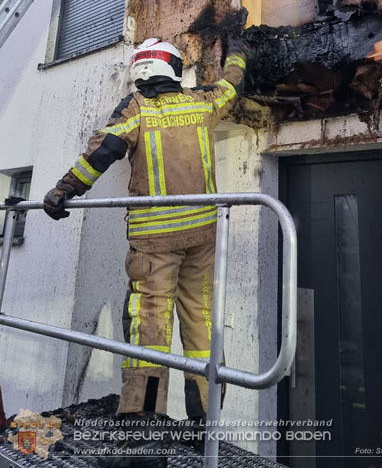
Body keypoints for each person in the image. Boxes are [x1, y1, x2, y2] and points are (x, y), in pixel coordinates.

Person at [43, 35, 248, 422]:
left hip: (154, 247)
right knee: (202, 325)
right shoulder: (203, 103)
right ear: (172, 67)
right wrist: (238, 49)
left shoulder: (136, 110)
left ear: (139, 71)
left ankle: (142, 423)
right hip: (203, 239)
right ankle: (207, 420)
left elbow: (100, 154)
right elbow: (231, 84)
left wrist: (64, 190)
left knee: (149, 329)